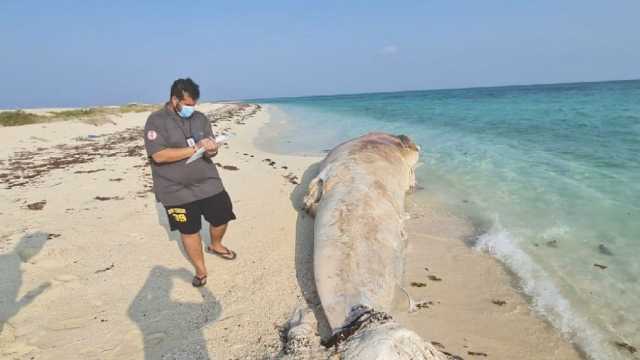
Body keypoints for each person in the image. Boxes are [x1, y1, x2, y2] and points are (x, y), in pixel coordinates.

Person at [143, 78, 237, 288]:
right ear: (174, 99)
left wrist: (212, 148)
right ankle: (201, 270)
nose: (191, 109)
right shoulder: (156, 121)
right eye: (187, 104)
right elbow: (159, 156)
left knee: (222, 215)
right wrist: (195, 149)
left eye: (194, 104)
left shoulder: (200, 118)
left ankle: (216, 244)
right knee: (189, 230)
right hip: (174, 190)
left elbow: (211, 150)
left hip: (207, 181)